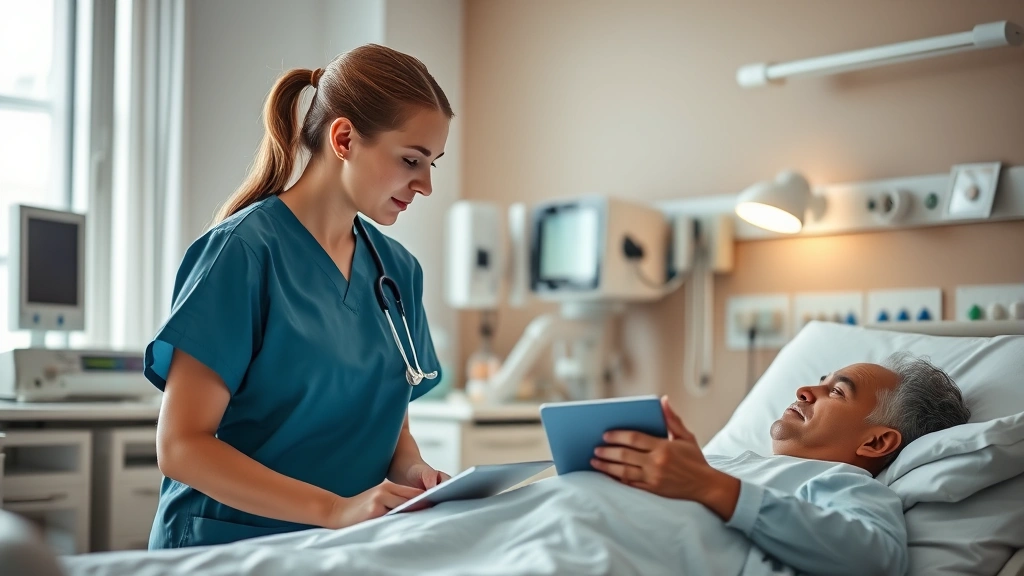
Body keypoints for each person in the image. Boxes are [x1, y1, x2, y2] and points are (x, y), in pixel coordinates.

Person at [144, 44, 454, 549]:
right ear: (345, 138)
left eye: (433, 164)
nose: (425, 185)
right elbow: (182, 447)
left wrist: (415, 473)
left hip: (334, 547)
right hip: (227, 546)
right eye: (411, 160)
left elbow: (391, 429)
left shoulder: (398, 274)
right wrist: (334, 509)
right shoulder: (243, 253)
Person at [592, 353, 971, 575]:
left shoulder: (846, 483)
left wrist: (709, 485)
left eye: (836, 391)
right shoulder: (719, 460)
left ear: (876, 441)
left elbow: (878, 557)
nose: (805, 390)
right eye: (821, 382)